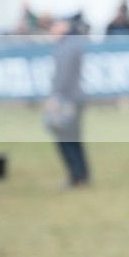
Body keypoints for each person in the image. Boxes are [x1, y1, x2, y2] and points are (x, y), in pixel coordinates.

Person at [45, 18, 90, 188]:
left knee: (65, 139)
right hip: (76, 97)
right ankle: (82, 174)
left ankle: (75, 175)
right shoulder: (74, 44)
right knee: (75, 138)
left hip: (67, 99)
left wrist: (55, 97)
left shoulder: (65, 47)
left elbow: (62, 76)